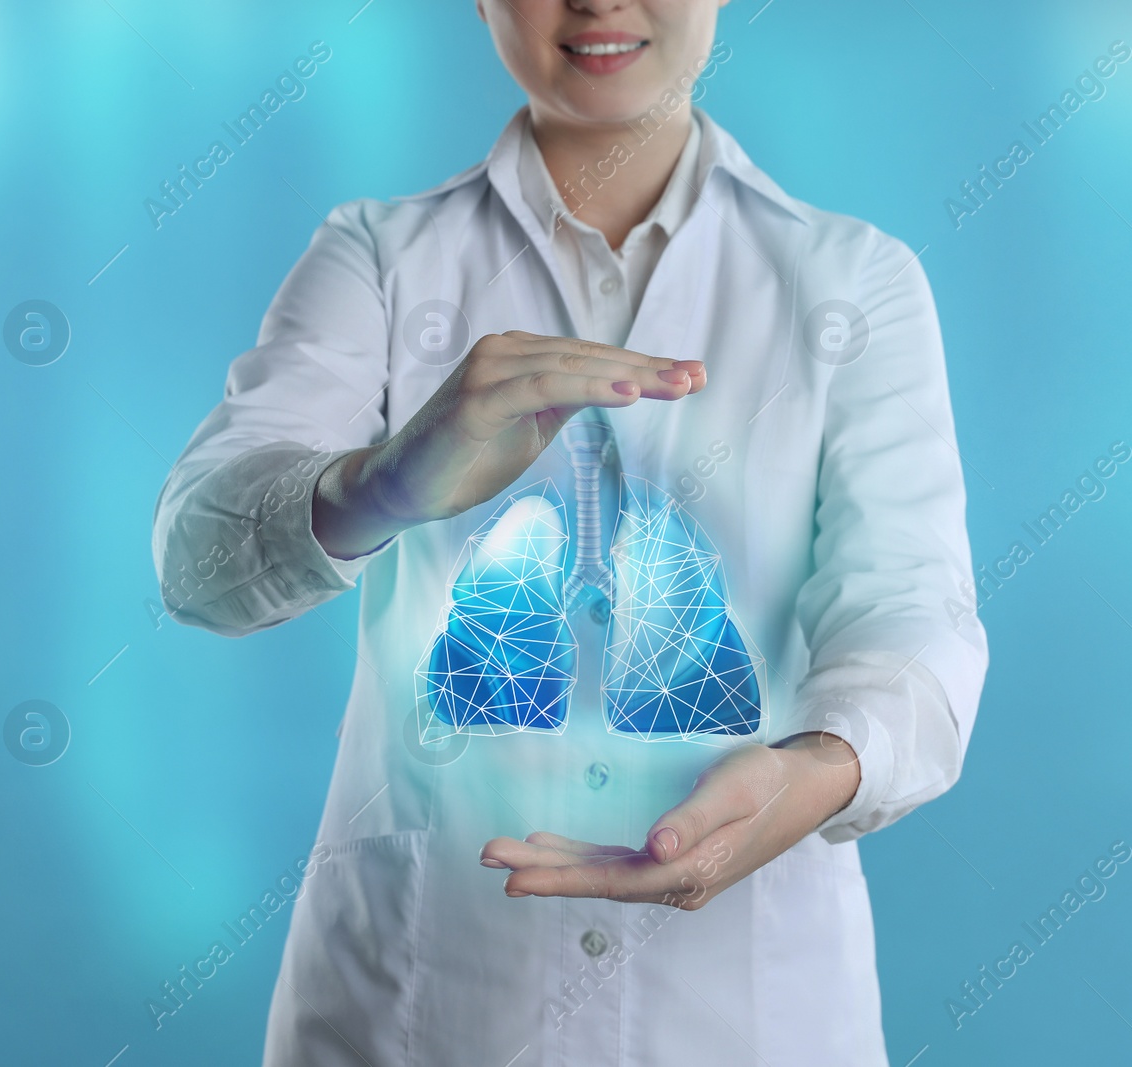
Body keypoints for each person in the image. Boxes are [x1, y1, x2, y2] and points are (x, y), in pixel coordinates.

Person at [151, 0, 988, 1062]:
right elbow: (195, 567)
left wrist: (813, 771)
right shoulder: (376, 257)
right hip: (417, 1014)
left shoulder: (854, 282)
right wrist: (386, 481)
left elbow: (912, 610)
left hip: (748, 1019)